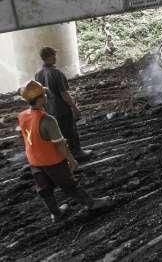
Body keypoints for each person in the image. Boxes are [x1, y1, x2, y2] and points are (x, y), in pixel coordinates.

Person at [17, 80, 114, 222]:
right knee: (69, 185)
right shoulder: (48, 120)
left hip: (34, 161)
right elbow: (60, 145)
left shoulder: (22, 115)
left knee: (44, 189)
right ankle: (92, 204)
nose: (46, 96)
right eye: (44, 94)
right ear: (41, 99)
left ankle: (56, 214)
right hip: (52, 161)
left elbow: (26, 136)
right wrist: (71, 159)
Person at [35, 47, 92, 161]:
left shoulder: (38, 74)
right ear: (48, 57)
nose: (55, 57)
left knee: (58, 135)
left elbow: (39, 94)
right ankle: (77, 153)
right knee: (70, 132)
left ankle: (63, 156)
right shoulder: (56, 73)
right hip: (62, 109)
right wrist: (75, 108)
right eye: (53, 55)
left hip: (49, 110)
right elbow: (64, 94)